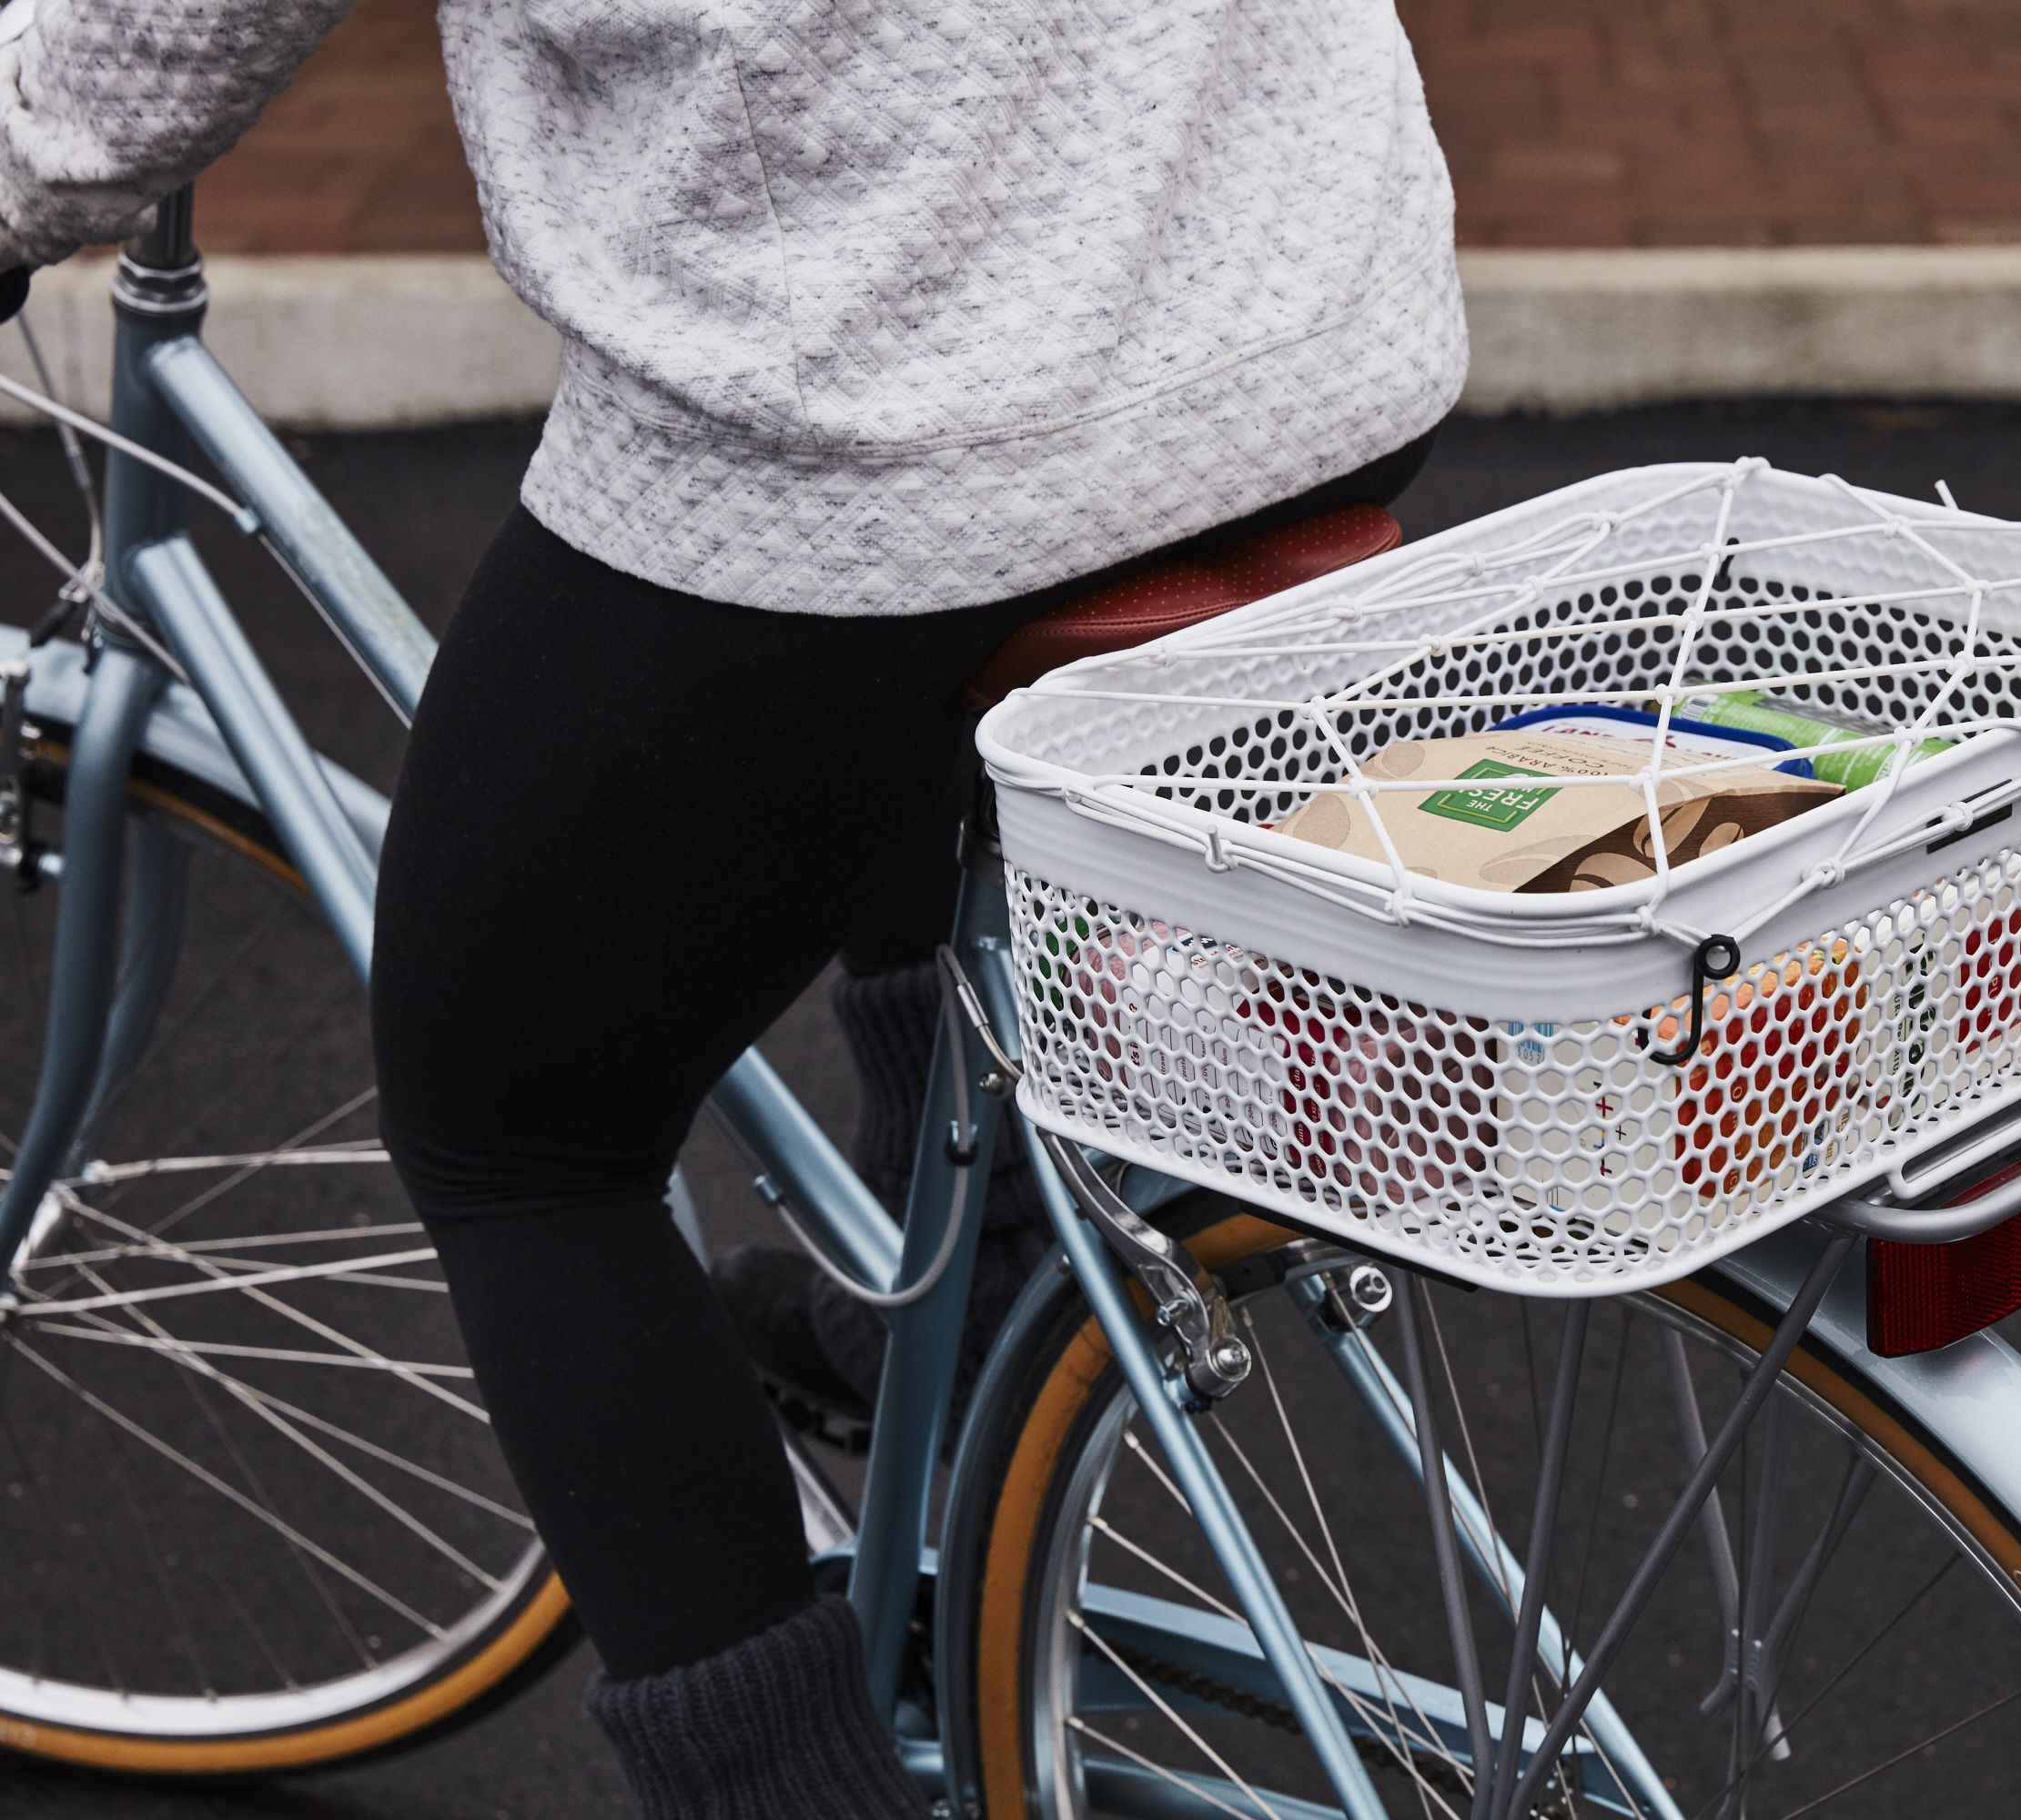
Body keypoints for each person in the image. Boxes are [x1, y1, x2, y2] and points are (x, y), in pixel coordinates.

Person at [0, 3, 1464, 1812]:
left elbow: (159, 43)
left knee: (522, 1132)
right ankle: (990, 1265)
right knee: (853, 725)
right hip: (1302, 317)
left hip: (872, 405)